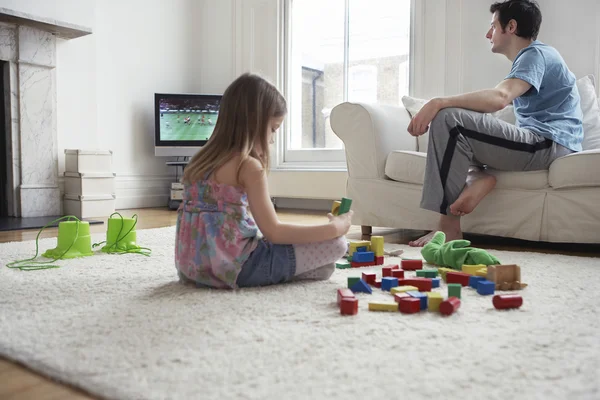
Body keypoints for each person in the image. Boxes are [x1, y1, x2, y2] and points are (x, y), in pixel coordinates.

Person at [407, 0, 583, 247]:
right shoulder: (534, 59)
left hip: (549, 143)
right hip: (546, 143)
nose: (488, 34)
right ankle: (478, 176)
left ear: (511, 27)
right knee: (458, 136)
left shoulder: (535, 54)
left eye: (493, 26)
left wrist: (438, 102)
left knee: (449, 118)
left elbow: (500, 98)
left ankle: (448, 229)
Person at [175, 73, 352, 289]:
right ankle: (295, 269)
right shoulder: (247, 166)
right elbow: (274, 232)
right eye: (273, 129)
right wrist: (335, 228)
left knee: (323, 266)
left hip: (193, 269)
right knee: (337, 246)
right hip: (239, 270)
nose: (272, 139)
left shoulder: (197, 163)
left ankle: (301, 269)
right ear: (255, 123)